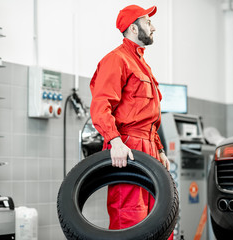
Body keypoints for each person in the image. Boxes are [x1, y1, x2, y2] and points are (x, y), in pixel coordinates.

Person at [90, 4, 173, 240]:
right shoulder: (116, 60)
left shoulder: (142, 64)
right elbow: (101, 105)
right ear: (134, 28)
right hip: (127, 147)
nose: (153, 27)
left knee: (159, 217)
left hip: (149, 149)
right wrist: (114, 141)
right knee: (131, 218)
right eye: (148, 22)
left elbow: (148, 116)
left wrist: (159, 149)